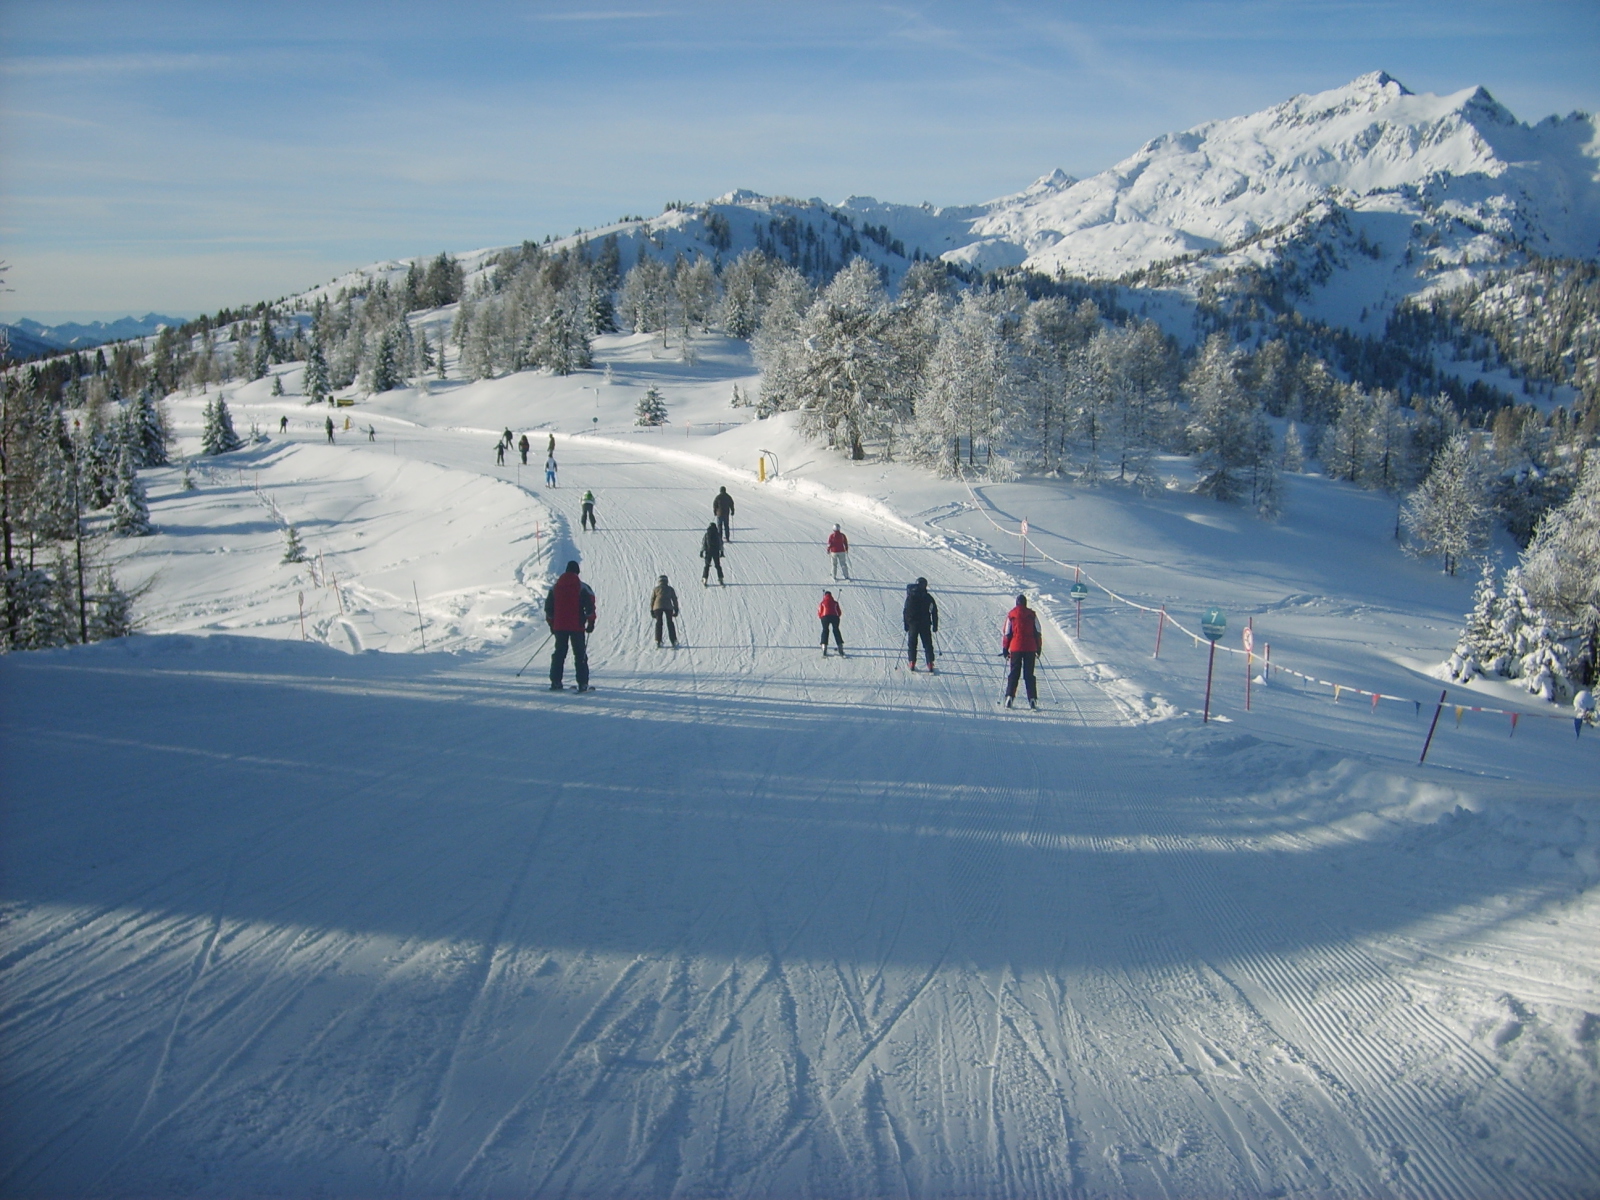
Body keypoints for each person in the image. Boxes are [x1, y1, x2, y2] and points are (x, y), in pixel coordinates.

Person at [544, 560, 596, 691]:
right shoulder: (582, 587)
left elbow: (548, 608)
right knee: (580, 654)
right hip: (577, 626)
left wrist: (552, 623)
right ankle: (582, 683)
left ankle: (556, 681)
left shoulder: (555, 587)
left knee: (559, 653)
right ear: (577, 572)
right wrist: (591, 622)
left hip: (559, 626)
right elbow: (589, 606)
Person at [1002, 593, 1041, 709]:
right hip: (1030, 648)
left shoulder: (1012, 615)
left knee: (1014, 673)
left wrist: (1005, 649)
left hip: (1015, 648)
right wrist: (1038, 648)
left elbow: (1007, 633)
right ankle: (1032, 699)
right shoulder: (1032, 615)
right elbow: (1038, 632)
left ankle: (1009, 696)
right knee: (1029, 674)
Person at [903, 577, 938, 671]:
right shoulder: (928, 597)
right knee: (927, 644)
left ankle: (912, 663)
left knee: (912, 644)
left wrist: (906, 624)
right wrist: (935, 625)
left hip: (913, 624)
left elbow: (906, 611)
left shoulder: (910, 596)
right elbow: (934, 611)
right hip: (925, 623)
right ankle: (930, 663)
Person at [650, 575, 679, 648]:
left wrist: (652, 610)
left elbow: (652, 600)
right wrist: (676, 609)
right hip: (668, 607)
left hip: (657, 607)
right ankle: (673, 640)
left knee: (659, 623)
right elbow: (674, 599)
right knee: (670, 623)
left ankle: (658, 640)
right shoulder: (670, 589)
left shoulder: (656, 589)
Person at [818, 590, 845, 656]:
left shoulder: (822, 603)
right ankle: (840, 647)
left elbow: (819, 612)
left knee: (825, 630)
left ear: (825, 596)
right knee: (836, 630)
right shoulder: (835, 603)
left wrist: (821, 617)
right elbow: (839, 612)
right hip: (835, 617)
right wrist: (837, 616)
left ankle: (824, 647)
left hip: (825, 617)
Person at [700, 521, 725, 586]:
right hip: (716, 551)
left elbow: (704, 543)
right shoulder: (717, 534)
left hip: (708, 552)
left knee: (707, 566)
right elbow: (721, 544)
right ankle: (720, 578)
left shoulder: (707, 534)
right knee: (717, 565)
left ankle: (705, 578)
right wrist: (722, 552)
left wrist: (702, 551)